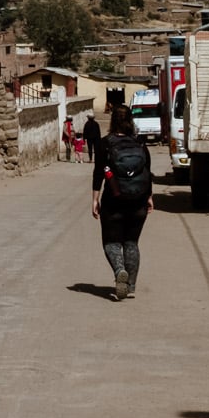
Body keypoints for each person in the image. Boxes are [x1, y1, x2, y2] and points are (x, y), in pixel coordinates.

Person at [92, 104, 155, 300]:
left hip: (114, 201)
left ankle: (119, 270)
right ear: (130, 121)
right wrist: (149, 197)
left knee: (111, 242)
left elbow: (98, 173)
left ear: (112, 121)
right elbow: (148, 172)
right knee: (132, 242)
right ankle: (131, 286)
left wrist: (95, 199)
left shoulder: (105, 144)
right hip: (138, 201)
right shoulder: (140, 143)